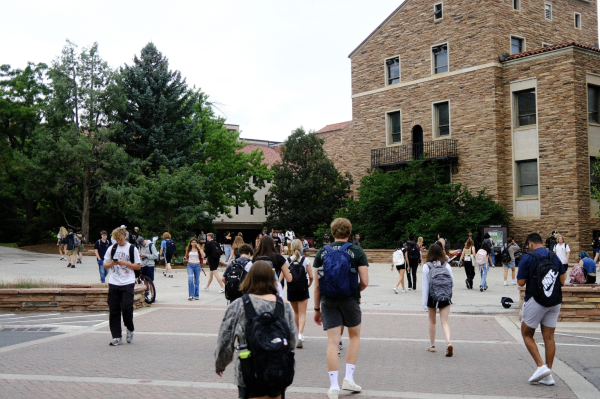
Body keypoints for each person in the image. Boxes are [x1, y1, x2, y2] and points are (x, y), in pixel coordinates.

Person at [215, 261, 298, 399]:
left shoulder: (238, 305)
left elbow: (225, 340)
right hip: (277, 371)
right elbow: (293, 342)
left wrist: (220, 365)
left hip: (248, 373)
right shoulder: (284, 307)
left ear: (249, 279)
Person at [313, 218, 369, 399]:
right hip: (350, 299)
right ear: (349, 233)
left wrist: (316, 308)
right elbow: (366, 281)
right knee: (354, 336)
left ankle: (333, 386)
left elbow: (317, 285)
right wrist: (354, 291)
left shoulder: (322, 252)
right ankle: (349, 378)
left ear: (332, 233)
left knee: (332, 342)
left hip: (328, 300)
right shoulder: (356, 251)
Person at [517, 233, 566, 386]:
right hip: (554, 300)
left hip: (536, 300)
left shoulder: (527, 257)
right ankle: (548, 374)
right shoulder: (554, 256)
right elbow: (563, 281)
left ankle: (541, 366)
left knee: (526, 334)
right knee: (549, 337)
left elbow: (520, 282)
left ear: (530, 243)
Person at [103, 227, 142, 346]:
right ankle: (116, 336)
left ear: (124, 236)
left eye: (120, 239)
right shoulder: (112, 248)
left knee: (126, 307)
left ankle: (129, 328)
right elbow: (105, 265)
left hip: (128, 282)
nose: (118, 242)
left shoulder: (132, 248)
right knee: (114, 310)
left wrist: (125, 263)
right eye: (116, 240)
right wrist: (112, 263)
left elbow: (138, 266)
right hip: (114, 282)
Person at [422, 243, 454, 356]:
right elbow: (452, 283)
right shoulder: (447, 265)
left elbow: (425, 286)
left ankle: (432, 345)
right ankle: (449, 343)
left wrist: (424, 303)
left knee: (432, 321)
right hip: (445, 296)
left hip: (432, 296)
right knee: (444, 322)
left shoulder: (427, 266)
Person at [287, 239, 313, 349]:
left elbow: (283, 276)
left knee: (296, 312)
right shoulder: (305, 260)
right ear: (302, 247)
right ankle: (301, 335)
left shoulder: (287, 260)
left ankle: (296, 334)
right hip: (302, 288)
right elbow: (311, 276)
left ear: (291, 248)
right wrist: (309, 284)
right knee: (302, 313)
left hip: (292, 289)